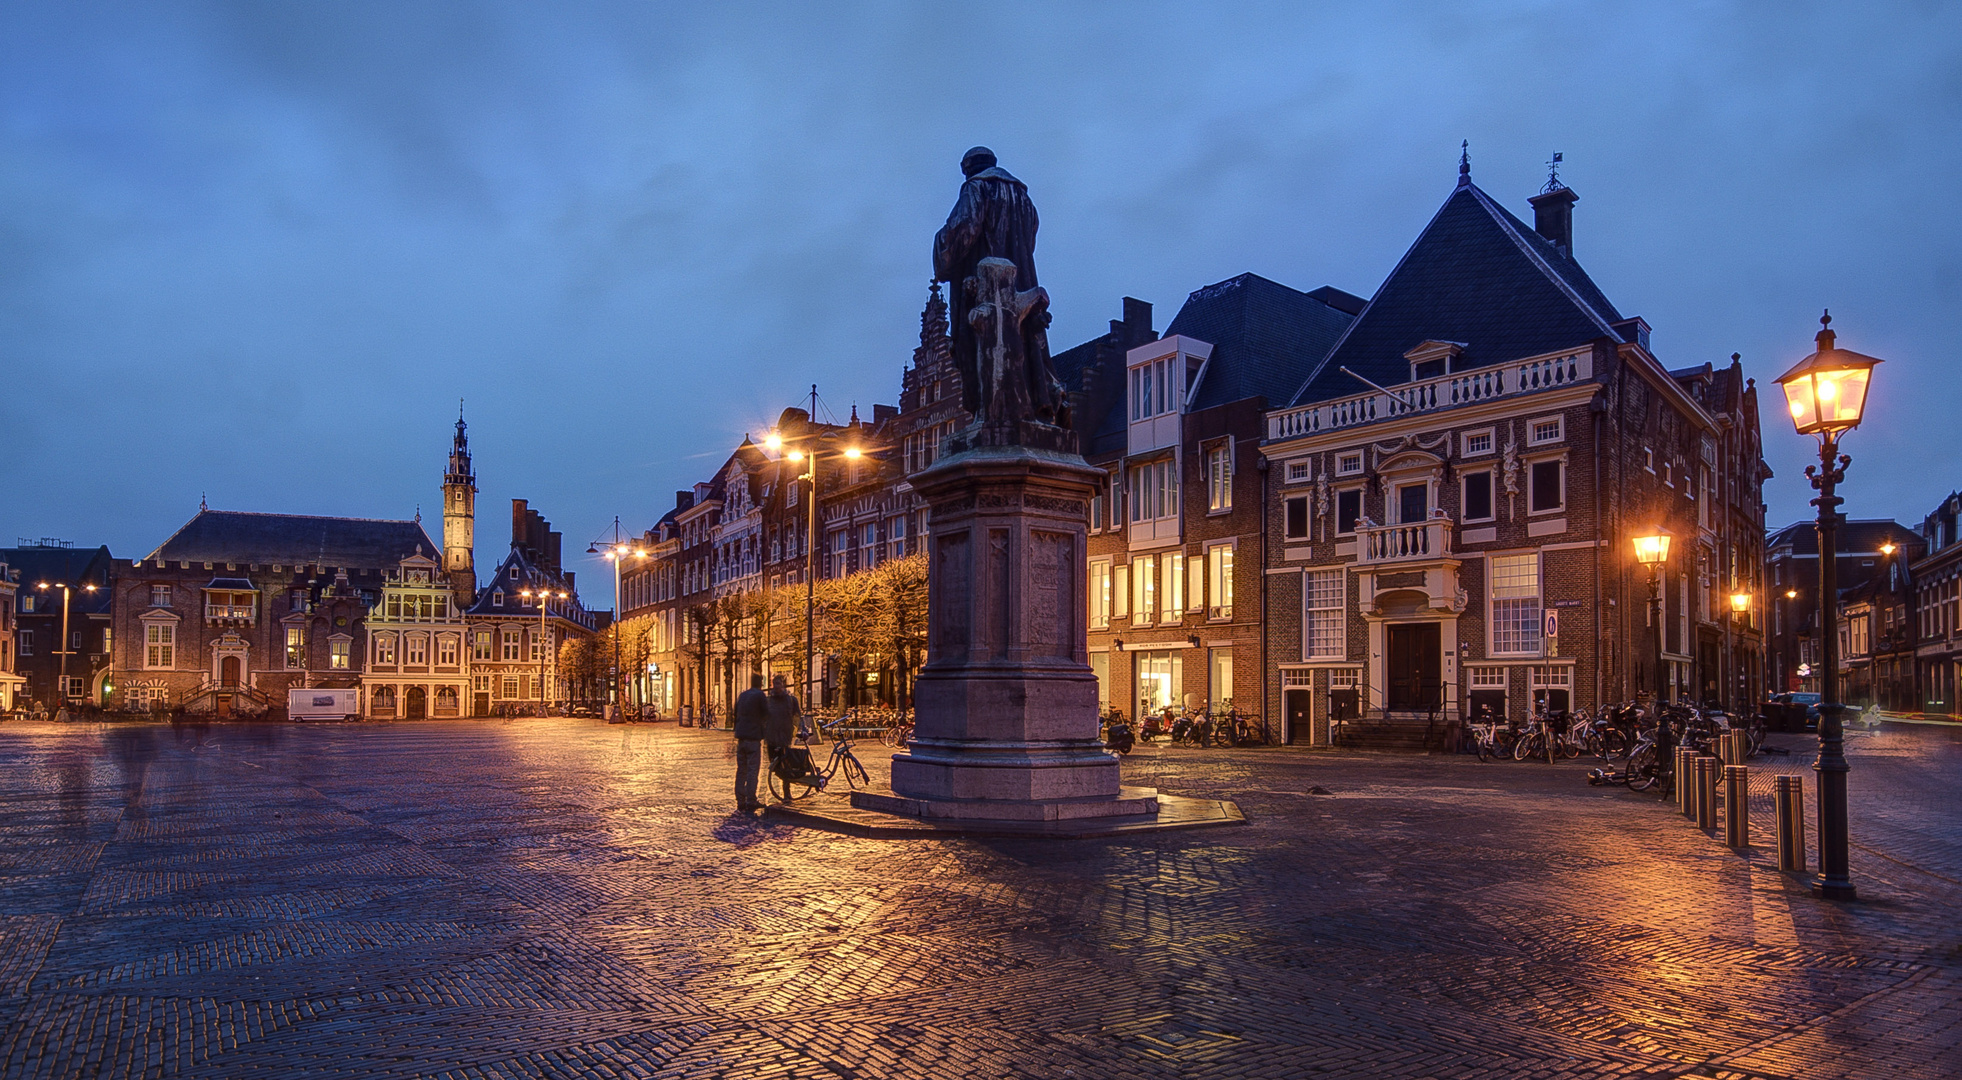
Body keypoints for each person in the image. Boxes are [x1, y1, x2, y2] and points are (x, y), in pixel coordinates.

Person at [732, 674, 768, 814]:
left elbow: (735, 713)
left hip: (741, 737)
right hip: (753, 738)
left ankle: (740, 800)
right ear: (761, 683)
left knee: (741, 770)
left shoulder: (743, 695)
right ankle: (751, 800)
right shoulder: (760, 695)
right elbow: (766, 714)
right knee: (753, 770)